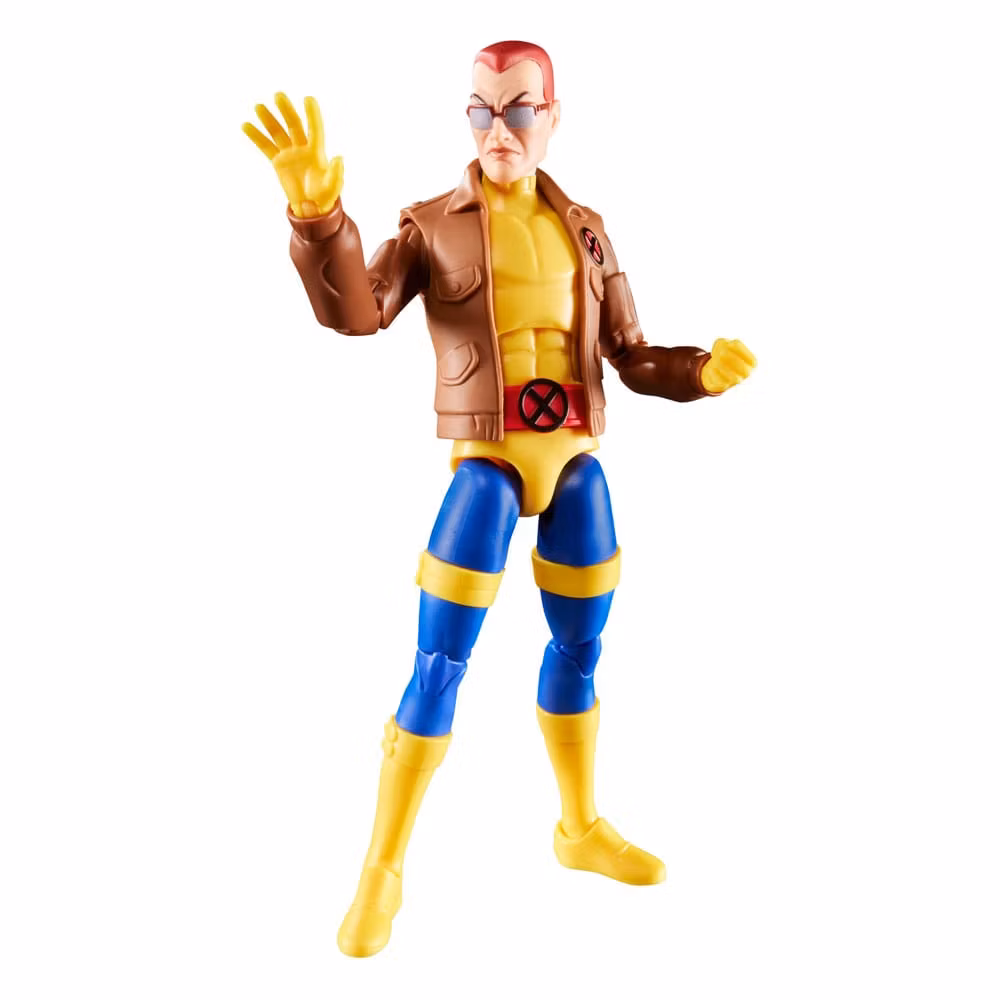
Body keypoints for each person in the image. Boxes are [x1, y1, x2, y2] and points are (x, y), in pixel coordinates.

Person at [244, 39, 756, 958]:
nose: (498, 129)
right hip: (486, 465)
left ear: (553, 118)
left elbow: (631, 355)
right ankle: (382, 870)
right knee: (438, 664)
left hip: (575, 461)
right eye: (480, 108)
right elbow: (358, 311)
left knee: (581, 647)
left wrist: (699, 373)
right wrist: (320, 220)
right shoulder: (431, 226)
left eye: (518, 108)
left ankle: (579, 827)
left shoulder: (587, 230)